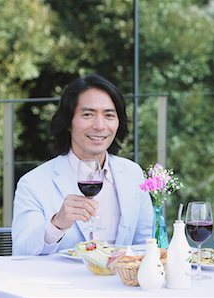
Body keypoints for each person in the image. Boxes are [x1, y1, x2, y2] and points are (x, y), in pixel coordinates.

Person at [12, 74, 153, 255]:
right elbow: (21, 254)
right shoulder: (32, 184)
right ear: (68, 122)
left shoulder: (132, 173)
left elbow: (147, 244)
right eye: (88, 114)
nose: (100, 125)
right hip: (57, 282)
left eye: (109, 115)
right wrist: (57, 224)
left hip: (118, 282)